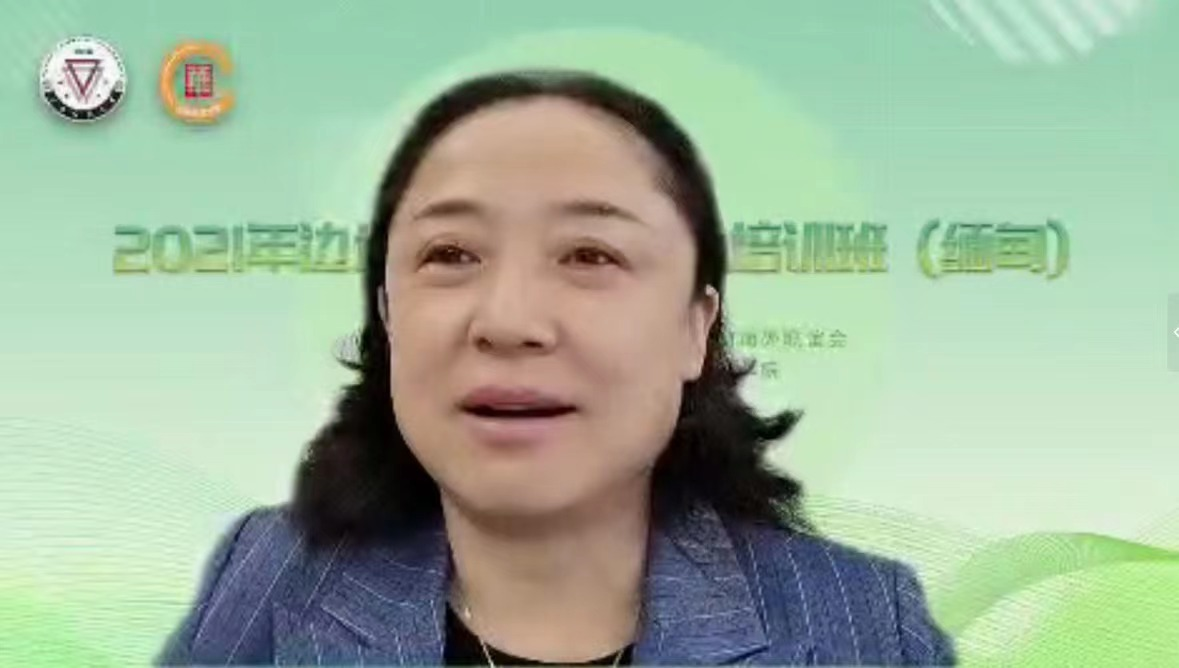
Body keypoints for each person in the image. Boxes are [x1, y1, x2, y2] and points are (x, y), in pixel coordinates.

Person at [156, 69, 956, 666]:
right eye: (450, 253)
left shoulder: (864, 628)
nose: (508, 321)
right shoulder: (272, 573)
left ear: (695, 327)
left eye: (589, 255)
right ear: (389, 314)